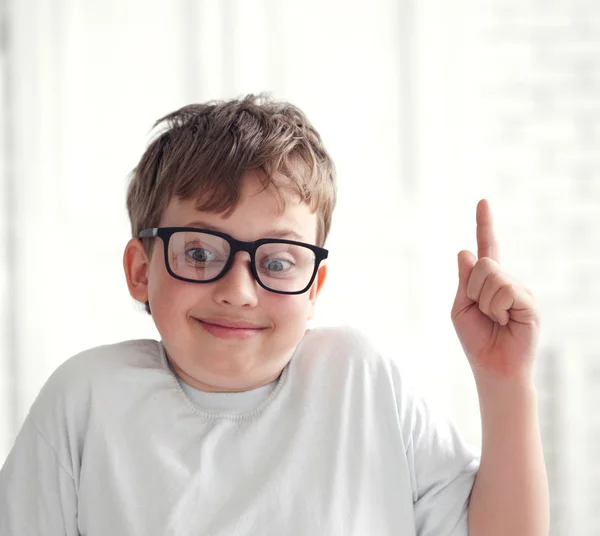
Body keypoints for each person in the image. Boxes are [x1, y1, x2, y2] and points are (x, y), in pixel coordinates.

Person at [0, 95, 549, 535]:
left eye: (279, 261)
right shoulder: (86, 400)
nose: (238, 291)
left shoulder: (361, 379)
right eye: (198, 254)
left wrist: (505, 382)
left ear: (315, 288)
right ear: (142, 270)